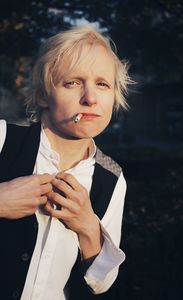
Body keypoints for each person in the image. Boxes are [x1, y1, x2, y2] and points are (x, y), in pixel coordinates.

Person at [0, 25, 131, 300]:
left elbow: (102, 282)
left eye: (103, 84)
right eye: (73, 82)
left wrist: (87, 227)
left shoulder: (112, 178)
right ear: (43, 95)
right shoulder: (3, 139)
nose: (90, 98)